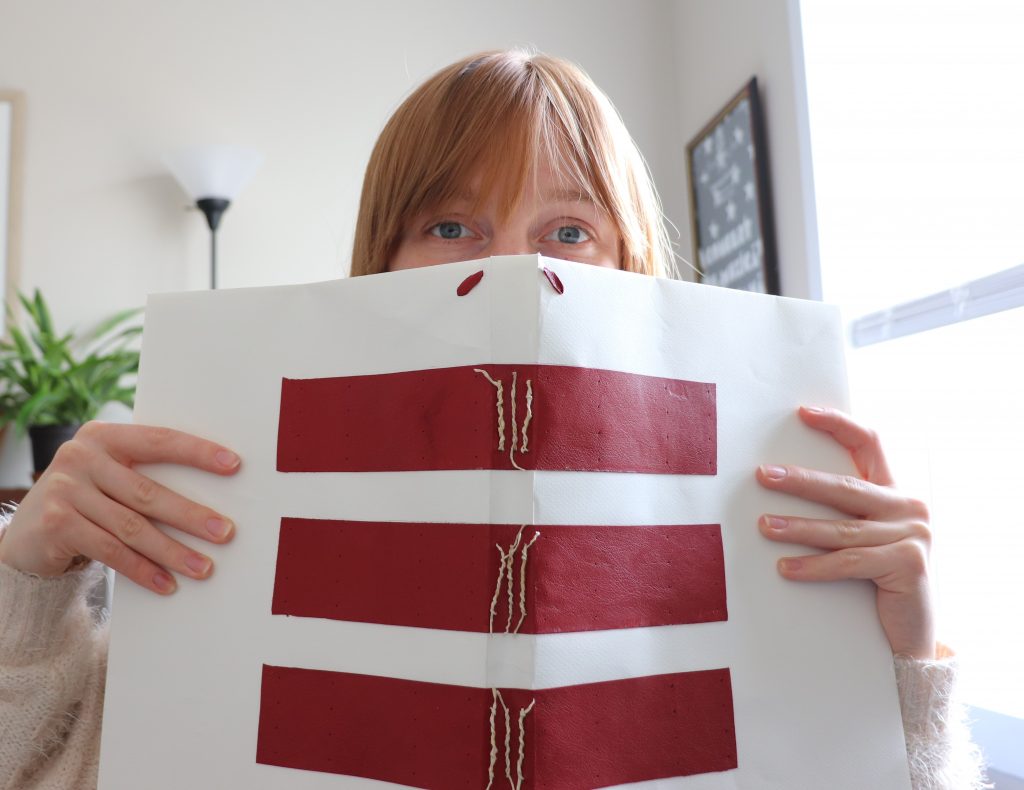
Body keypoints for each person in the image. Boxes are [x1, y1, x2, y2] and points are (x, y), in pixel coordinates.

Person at [0, 50, 986, 789]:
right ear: (378, 261)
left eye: (568, 231)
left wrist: (899, 672)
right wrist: (27, 592)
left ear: (634, 269)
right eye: (449, 225)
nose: (515, 270)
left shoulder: (755, 508)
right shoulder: (241, 490)